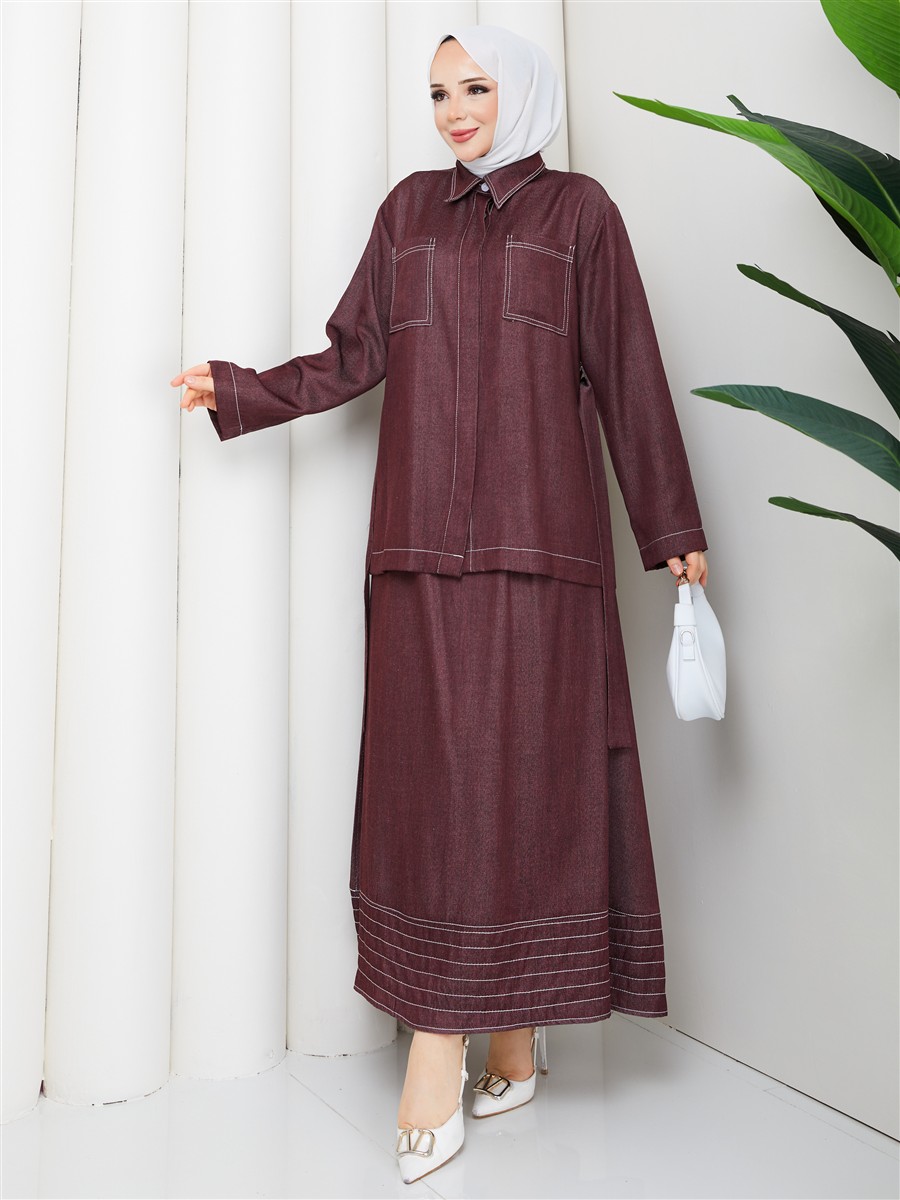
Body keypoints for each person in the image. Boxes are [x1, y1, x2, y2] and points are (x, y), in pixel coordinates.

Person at [170, 24, 708, 1185]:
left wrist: (672, 533)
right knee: (438, 799)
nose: (456, 109)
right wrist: (245, 390)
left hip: (542, 556)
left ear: (523, 93)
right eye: (437, 92)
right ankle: (493, 1038)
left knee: (525, 787)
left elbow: (629, 373)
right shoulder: (407, 213)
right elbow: (353, 352)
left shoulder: (580, 215)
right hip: (415, 556)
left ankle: (455, 1047)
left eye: (476, 87)